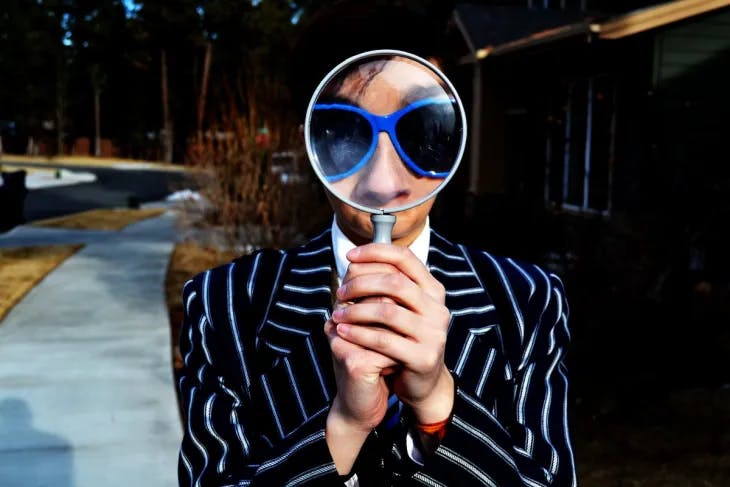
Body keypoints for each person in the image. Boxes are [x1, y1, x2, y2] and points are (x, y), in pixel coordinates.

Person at [177, 2, 577, 486]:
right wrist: (343, 425)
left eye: (420, 127)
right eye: (347, 131)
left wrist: (437, 403)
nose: (384, 182)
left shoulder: (527, 301)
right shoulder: (226, 305)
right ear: (310, 141)